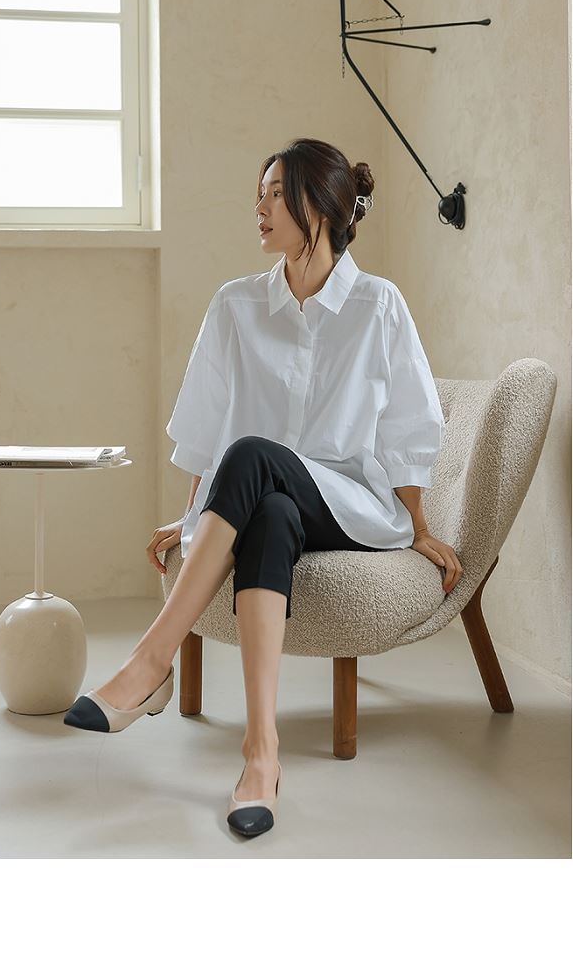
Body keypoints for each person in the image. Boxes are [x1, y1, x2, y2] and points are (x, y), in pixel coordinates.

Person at [64, 137, 463, 837]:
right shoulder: (235, 305)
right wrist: (193, 518)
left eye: (278, 193)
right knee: (271, 507)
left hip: (349, 505)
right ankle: (261, 755)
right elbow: (202, 428)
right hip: (268, 503)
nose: (261, 206)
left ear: (322, 205)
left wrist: (420, 527)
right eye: (261, 192)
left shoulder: (379, 304)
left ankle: (150, 661)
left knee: (253, 455)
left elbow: (409, 424)